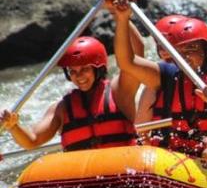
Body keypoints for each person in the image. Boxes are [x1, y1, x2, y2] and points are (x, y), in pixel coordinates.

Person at [112, 0, 207, 163]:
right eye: (180, 50)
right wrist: (122, 19)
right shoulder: (169, 74)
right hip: (182, 158)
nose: (185, 56)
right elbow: (127, 62)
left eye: (192, 48)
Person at [0, 36, 139, 151]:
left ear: (98, 69)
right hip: (84, 173)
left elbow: (136, 57)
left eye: (85, 69)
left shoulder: (119, 92)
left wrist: (122, 18)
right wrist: (13, 126)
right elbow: (32, 140)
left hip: (123, 168)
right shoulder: (61, 108)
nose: (79, 76)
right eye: (73, 71)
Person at [135, 14, 187, 127]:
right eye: (160, 45)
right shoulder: (154, 83)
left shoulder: (204, 77)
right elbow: (141, 129)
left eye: (169, 44)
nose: (163, 51)